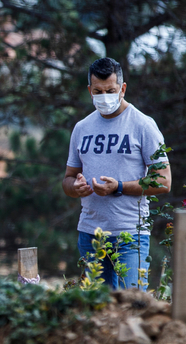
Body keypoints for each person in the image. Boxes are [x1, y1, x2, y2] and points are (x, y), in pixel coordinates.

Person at [63, 57, 171, 289]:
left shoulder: (143, 125)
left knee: (131, 306)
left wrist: (119, 186)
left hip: (129, 235)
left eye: (110, 90)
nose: (104, 97)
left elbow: (163, 181)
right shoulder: (82, 128)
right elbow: (68, 178)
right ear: (89, 90)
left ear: (122, 88)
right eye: (98, 91)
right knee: (95, 310)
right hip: (90, 234)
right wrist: (75, 187)